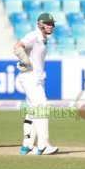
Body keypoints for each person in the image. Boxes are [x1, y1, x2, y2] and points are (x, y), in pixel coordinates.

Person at [14, 13, 58, 155]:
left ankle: (26, 146)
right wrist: (25, 59)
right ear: (40, 24)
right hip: (30, 78)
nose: (50, 26)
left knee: (32, 112)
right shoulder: (34, 35)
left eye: (52, 24)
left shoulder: (44, 38)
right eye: (47, 23)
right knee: (42, 109)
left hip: (36, 78)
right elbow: (17, 47)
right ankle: (43, 146)